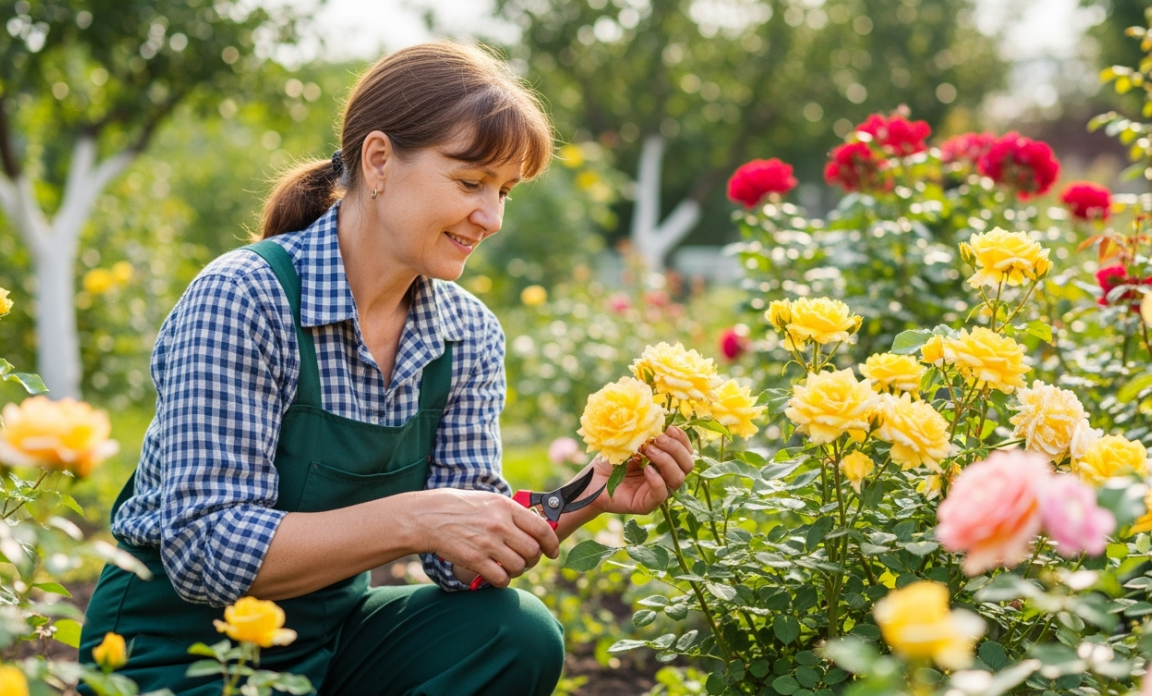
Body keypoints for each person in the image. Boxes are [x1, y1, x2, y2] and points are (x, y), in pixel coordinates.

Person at [78, 42, 696, 696]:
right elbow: (207, 551)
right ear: (379, 161)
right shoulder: (244, 299)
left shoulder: (465, 333)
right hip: (174, 654)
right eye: (469, 182)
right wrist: (418, 517)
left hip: (323, 645)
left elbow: (460, 566)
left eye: (504, 191)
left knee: (514, 634)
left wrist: (588, 494)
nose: (491, 218)